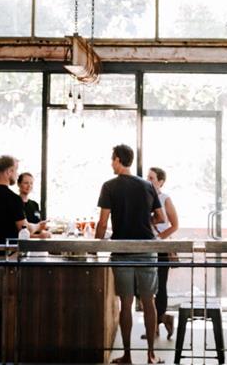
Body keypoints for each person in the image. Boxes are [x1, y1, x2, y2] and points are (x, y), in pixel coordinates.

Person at [96, 144, 165, 365]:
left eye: (111, 159)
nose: (111, 163)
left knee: (125, 303)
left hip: (122, 249)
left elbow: (103, 222)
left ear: (117, 160)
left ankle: (127, 355)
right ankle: (151, 354)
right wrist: (145, 221)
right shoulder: (147, 185)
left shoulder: (109, 186)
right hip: (146, 248)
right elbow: (161, 217)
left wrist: (95, 243)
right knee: (149, 301)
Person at [0, 155, 44, 305]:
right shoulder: (11, 198)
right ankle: (2, 327)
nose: (16, 174)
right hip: (6, 257)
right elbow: (24, 228)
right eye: (16, 171)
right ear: (9, 172)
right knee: (8, 301)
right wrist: (39, 226)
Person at [146, 167, 179, 340]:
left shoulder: (165, 199)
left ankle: (158, 324)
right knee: (147, 287)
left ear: (160, 181)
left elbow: (174, 225)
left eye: (151, 178)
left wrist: (158, 238)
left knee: (160, 286)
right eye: (147, 177)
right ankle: (162, 319)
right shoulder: (145, 198)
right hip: (147, 247)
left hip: (162, 247)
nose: (148, 180)